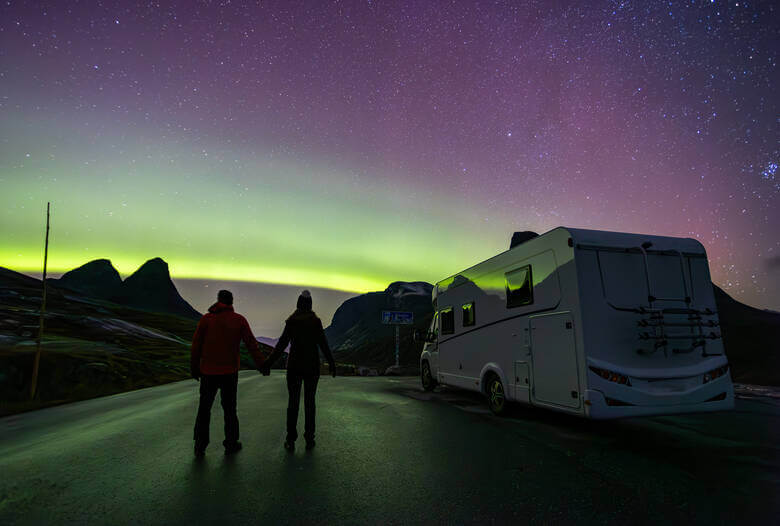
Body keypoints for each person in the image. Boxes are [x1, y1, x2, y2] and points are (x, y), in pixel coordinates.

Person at [191, 289, 266, 457]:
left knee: (204, 408)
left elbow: (196, 345)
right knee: (230, 409)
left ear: (218, 301)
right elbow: (251, 345)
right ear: (231, 302)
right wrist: (262, 365)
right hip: (229, 373)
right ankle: (231, 443)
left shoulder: (206, 320)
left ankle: (200, 445)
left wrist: (194, 367)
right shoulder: (239, 320)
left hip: (208, 372)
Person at [262, 290, 335, 451]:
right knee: (310, 403)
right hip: (312, 367)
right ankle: (309, 438)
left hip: (294, 367)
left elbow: (281, 345)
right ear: (310, 305)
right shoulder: (316, 322)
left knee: (293, 403)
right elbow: (323, 344)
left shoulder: (292, 322)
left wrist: (268, 363)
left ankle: (291, 439)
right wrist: (331, 363)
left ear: (297, 304)